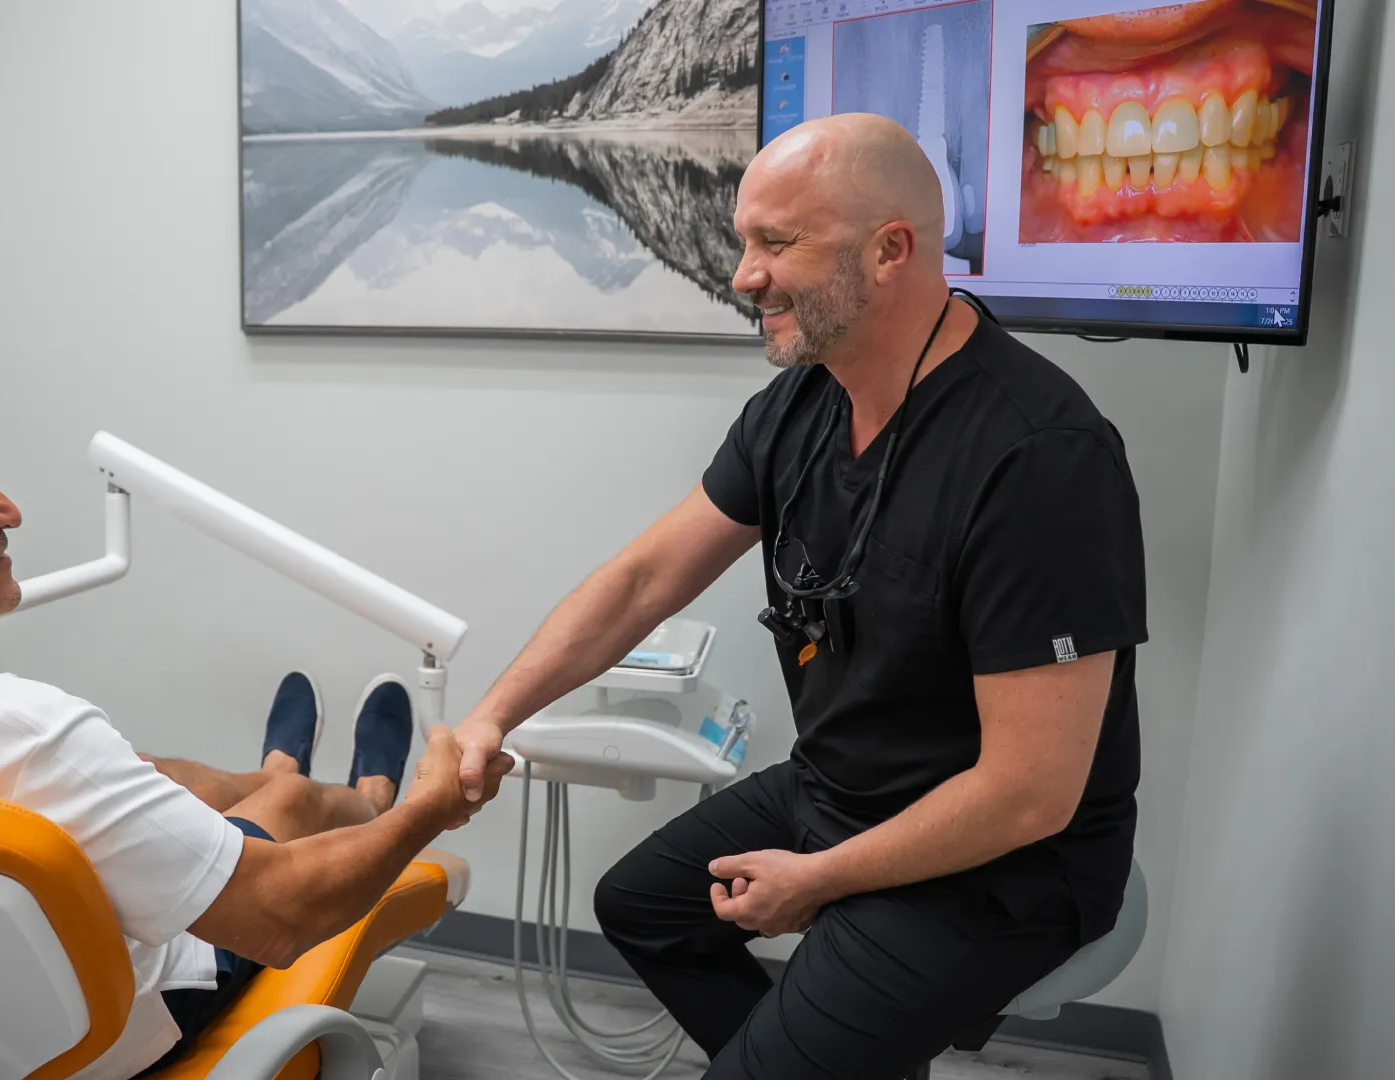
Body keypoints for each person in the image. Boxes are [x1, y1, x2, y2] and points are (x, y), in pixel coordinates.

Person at [451, 113, 1148, 1078]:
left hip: (1001, 868)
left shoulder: (1039, 459)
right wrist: (493, 714)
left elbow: (1031, 793)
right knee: (643, 910)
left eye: (777, 243)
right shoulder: (801, 407)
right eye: (746, 241)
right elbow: (644, 579)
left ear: (889, 251)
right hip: (841, 788)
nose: (743, 275)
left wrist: (816, 881)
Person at [0, 371, 512, 1080]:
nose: (11, 512)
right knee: (287, 812)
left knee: (159, 775)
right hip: (104, 1034)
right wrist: (431, 809)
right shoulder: (29, 733)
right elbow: (279, 917)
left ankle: (276, 769)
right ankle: (364, 796)